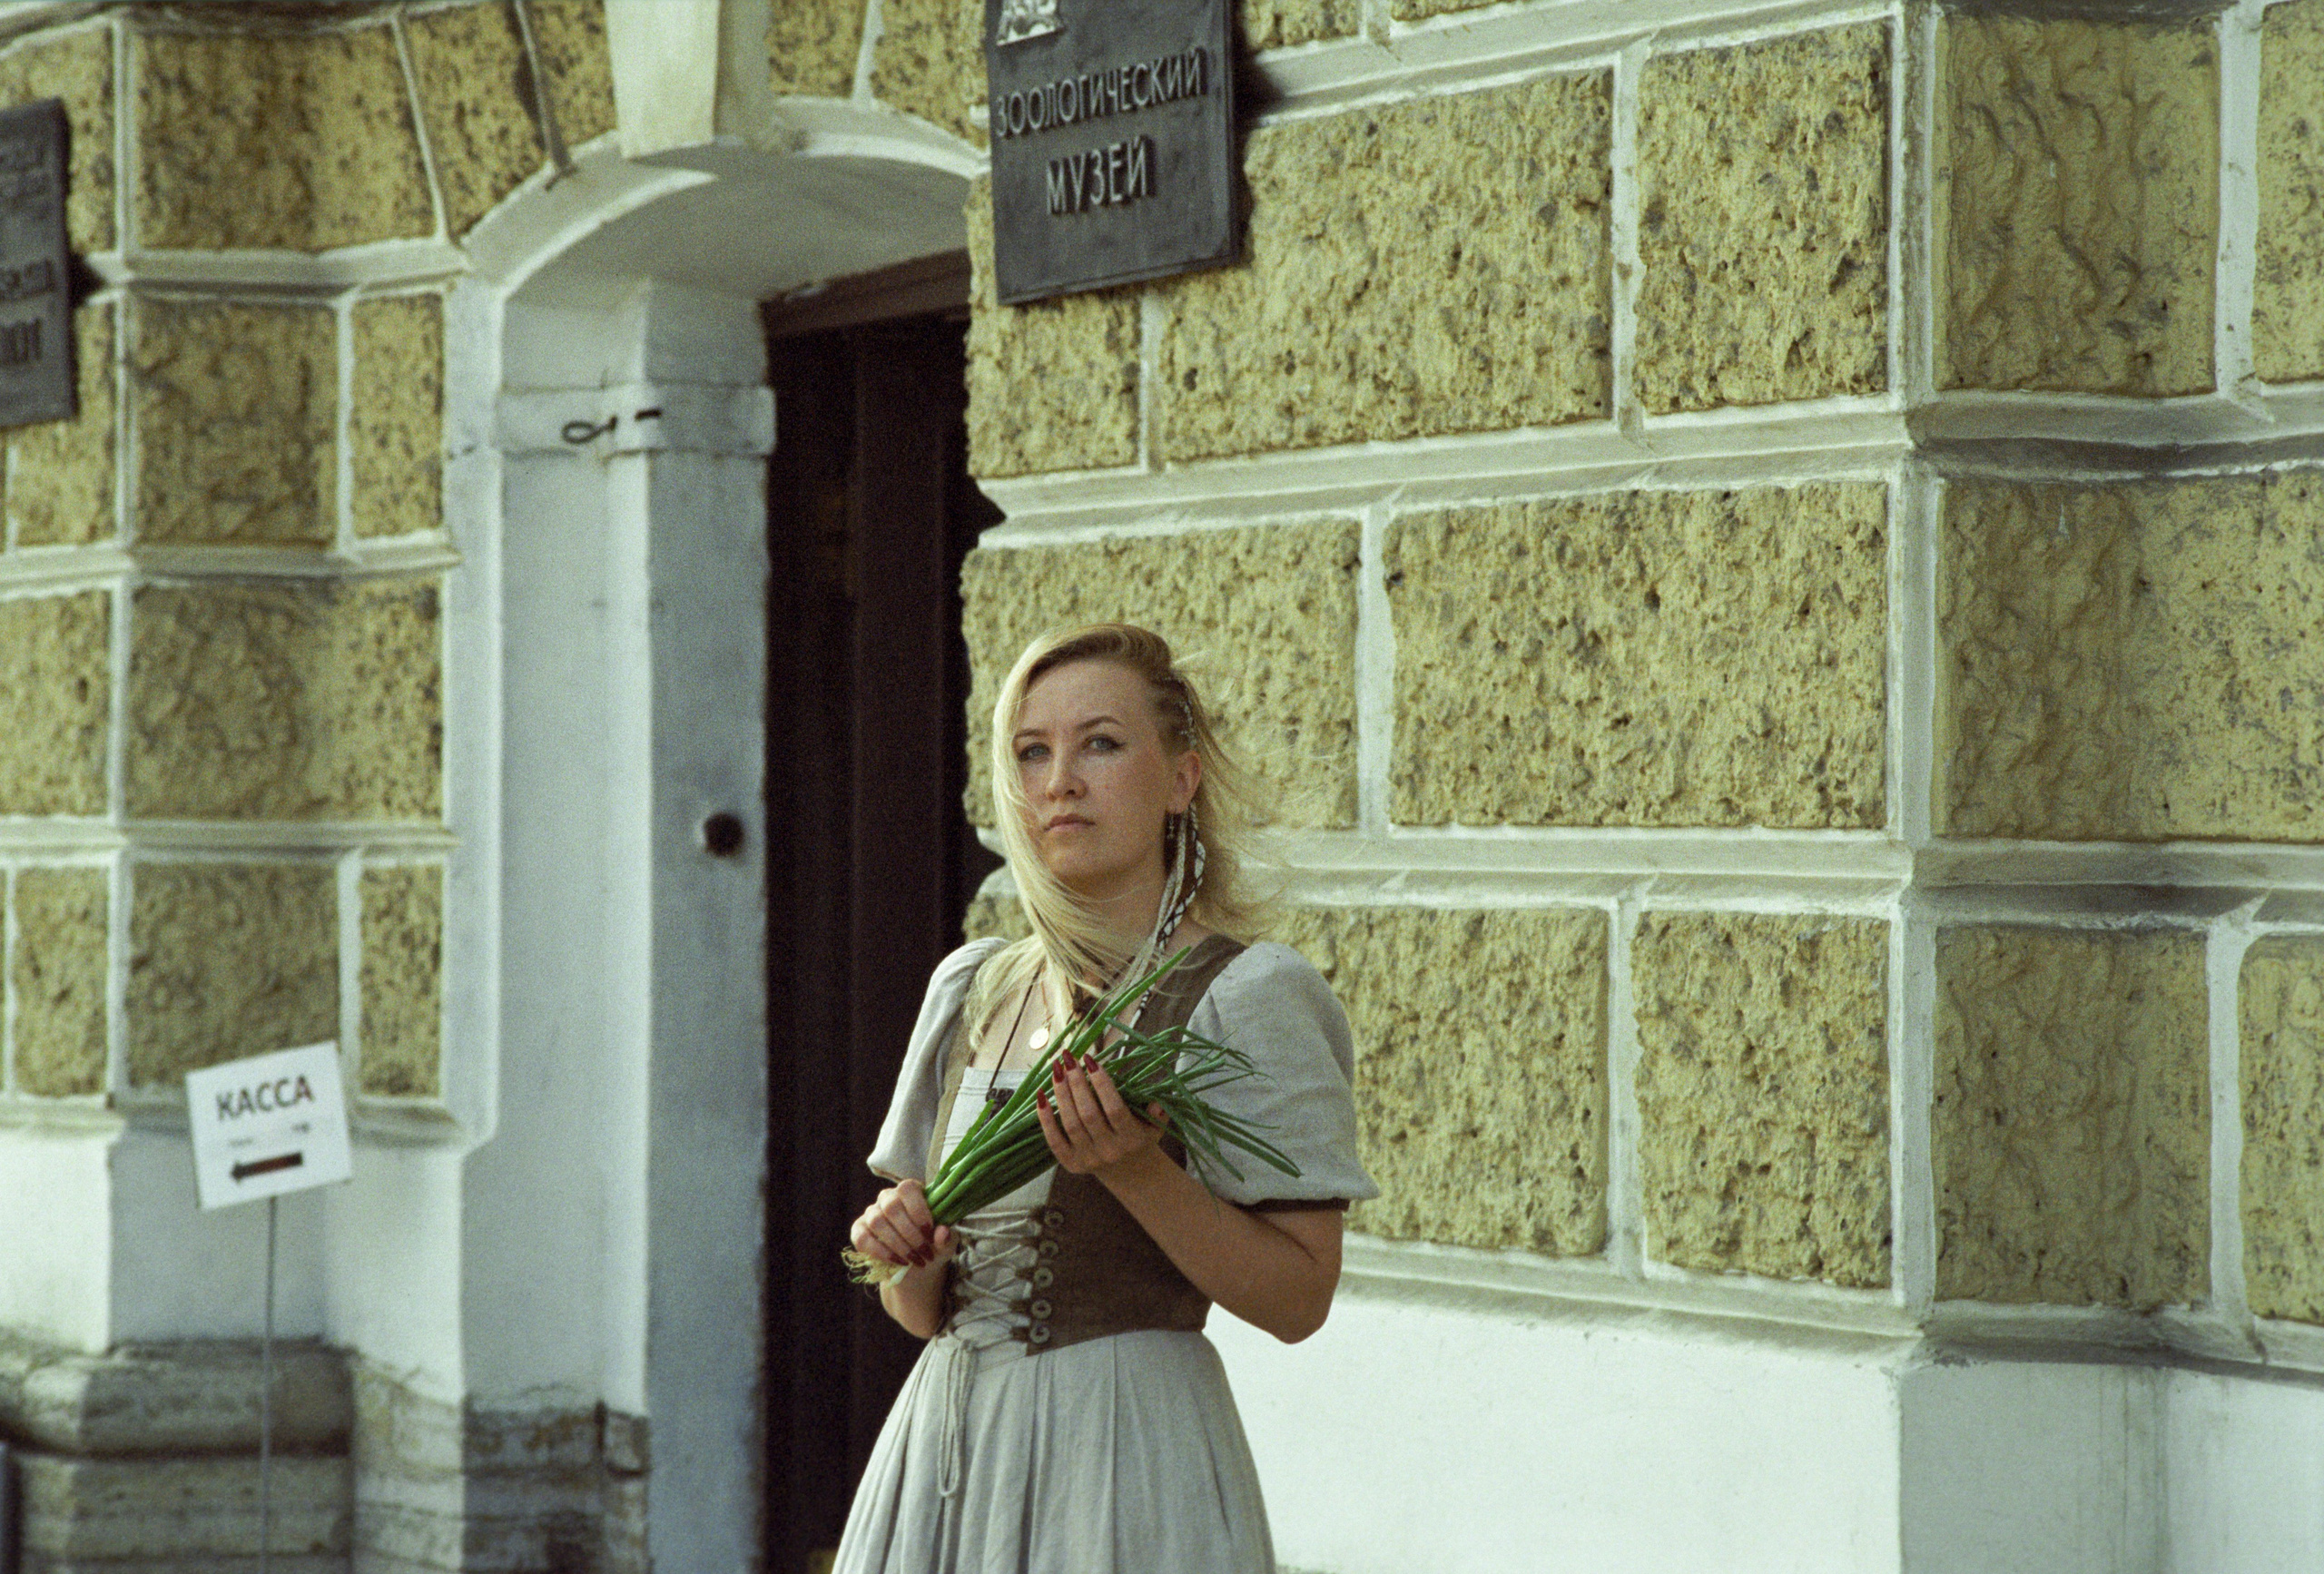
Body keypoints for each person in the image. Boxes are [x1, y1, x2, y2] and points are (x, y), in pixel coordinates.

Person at [835, 622, 1377, 1573]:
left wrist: (1135, 1172)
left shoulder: (1246, 994)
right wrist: (907, 1251)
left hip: (1120, 1452)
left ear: (1180, 779)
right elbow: (925, 1311)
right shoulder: (975, 987)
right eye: (1031, 752)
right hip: (947, 1451)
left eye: (1100, 743)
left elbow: (1300, 1298)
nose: (1060, 781)